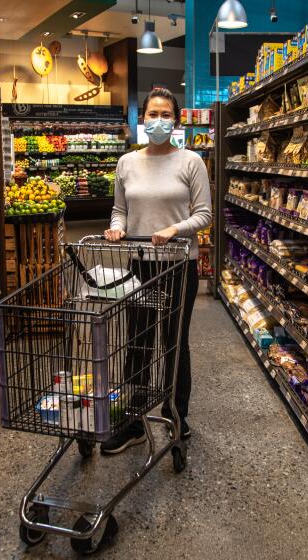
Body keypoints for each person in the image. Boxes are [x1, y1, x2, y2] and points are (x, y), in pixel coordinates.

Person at [100, 87, 212, 455]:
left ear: (176, 121)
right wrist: (116, 227)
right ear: (142, 119)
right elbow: (120, 209)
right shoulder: (127, 163)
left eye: (166, 115)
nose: (159, 120)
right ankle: (132, 421)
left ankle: (176, 414)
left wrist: (174, 229)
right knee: (138, 341)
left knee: (174, 343)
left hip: (180, 264)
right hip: (139, 264)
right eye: (152, 114)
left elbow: (204, 215)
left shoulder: (191, 162)